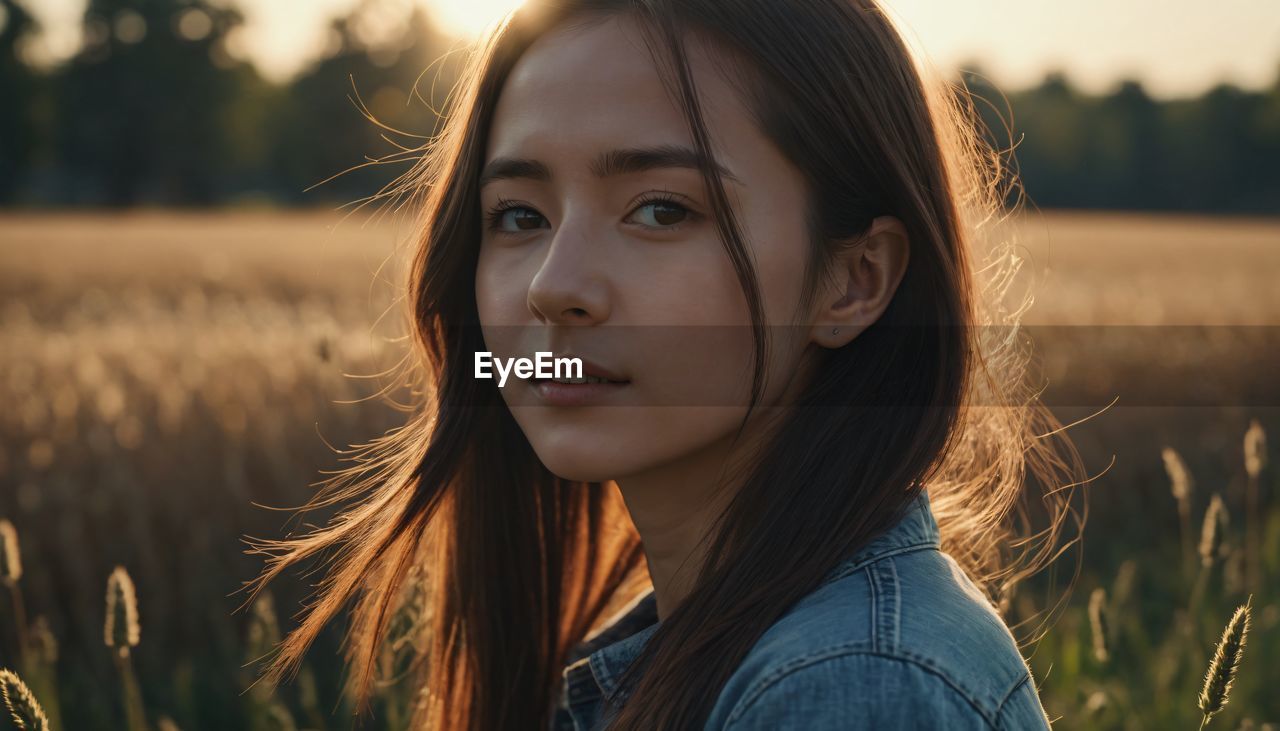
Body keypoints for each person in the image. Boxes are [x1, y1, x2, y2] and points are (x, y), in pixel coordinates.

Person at [244, 0, 1086, 728]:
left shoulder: (851, 685)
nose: (554, 287)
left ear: (851, 281)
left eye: (660, 209)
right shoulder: (716, 646)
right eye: (517, 215)